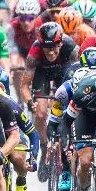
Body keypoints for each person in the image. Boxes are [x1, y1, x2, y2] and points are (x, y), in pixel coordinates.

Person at [18, 22, 79, 177]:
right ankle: (45, 146)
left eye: (54, 47)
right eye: (47, 47)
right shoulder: (35, 52)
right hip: (42, 74)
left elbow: (78, 78)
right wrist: (30, 102)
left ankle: (66, 150)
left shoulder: (70, 48)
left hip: (64, 71)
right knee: (40, 112)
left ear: (61, 43)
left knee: (66, 109)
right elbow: (24, 86)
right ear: (41, 45)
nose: (51, 52)